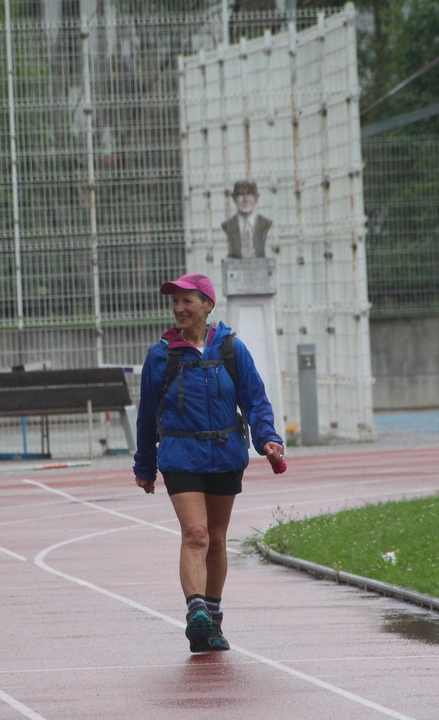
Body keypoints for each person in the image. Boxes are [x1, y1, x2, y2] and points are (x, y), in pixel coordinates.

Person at [133, 273, 284, 652]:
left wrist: (268, 438)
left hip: (226, 455)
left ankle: (212, 623)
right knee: (196, 534)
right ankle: (195, 610)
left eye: (187, 301)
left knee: (216, 539)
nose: (178, 308)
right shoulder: (160, 356)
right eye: (175, 302)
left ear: (207, 305)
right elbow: (147, 414)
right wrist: (145, 465)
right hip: (180, 457)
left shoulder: (232, 349)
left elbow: (255, 400)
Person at [221, 179, 272, 259]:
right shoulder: (228, 225)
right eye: (240, 195)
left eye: (249, 195)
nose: (245, 200)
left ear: (256, 198)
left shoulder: (265, 223)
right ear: (234, 198)